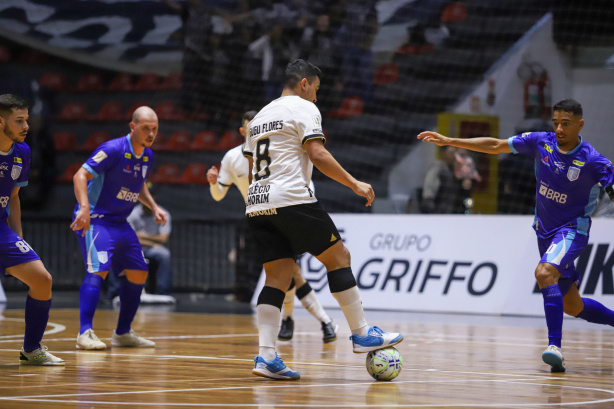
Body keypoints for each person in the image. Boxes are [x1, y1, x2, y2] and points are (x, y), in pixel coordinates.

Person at [418, 99, 614, 373]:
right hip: (544, 232)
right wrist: (450, 140)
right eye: (555, 122)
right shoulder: (540, 142)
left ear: (580, 124)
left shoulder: (592, 160)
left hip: (572, 230)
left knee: (544, 273)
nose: (558, 128)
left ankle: (554, 347)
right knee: (573, 305)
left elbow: (611, 184)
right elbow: (495, 145)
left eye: (565, 124)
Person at [244, 59, 403, 380]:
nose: (316, 97)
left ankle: (266, 356)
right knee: (339, 257)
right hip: (292, 198)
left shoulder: (260, 116)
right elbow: (317, 153)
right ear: (304, 84)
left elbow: (251, 171)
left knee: (277, 276)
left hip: (256, 203)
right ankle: (361, 333)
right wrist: (355, 183)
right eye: (315, 89)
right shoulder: (302, 109)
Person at [206, 110, 338, 343]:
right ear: (242, 131)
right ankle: (319, 322)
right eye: (249, 127)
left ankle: (306, 323)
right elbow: (218, 196)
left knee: (289, 272)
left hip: (287, 214)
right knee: (289, 274)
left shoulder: (278, 149)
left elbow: (305, 180)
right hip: (260, 219)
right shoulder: (231, 158)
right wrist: (213, 183)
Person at [71, 106, 167, 350]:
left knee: (139, 273)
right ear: (132, 126)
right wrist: (83, 208)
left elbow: (138, 185)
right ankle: (85, 333)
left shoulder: (147, 155)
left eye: (154, 129)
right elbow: (80, 176)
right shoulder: (112, 149)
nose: (151, 133)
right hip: (95, 219)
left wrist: (154, 206)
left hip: (120, 224)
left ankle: (123, 333)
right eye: (146, 128)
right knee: (98, 271)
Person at [0, 94, 64, 365]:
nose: (26, 126)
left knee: (42, 280)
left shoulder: (22, 152)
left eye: (26, 119)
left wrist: (18, 237)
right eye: (19, 121)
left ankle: (31, 349)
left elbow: (13, 197)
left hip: (2, 231)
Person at [127, 189, 173, 296]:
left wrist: (140, 236)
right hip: (135, 247)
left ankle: (163, 292)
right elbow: (129, 237)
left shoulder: (162, 213)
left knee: (165, 254)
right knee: (116, 252)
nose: (147, 198)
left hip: (154, 248)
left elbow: (163, 239)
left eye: (150, 195)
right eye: (145, 195)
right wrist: (153, 239)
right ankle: (115, 292)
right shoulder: (132, 213)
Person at [421, 145, 464, 213]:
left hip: (453, 210)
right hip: (440, 210)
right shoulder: (437, 168)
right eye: (451, 153)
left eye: (455, 154)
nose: (453, 156)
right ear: (443, 154)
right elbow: (429, 188)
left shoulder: (454, 170)